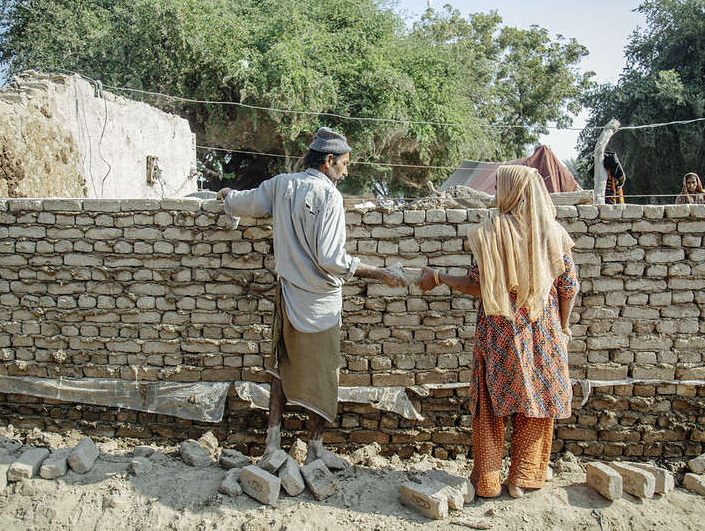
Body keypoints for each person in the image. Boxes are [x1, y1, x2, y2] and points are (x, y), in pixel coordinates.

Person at [217, 126, 408, 468]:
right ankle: (315, 449)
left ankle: (272, 444)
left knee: (280, 368)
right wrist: (379, 272)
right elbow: (331, 259)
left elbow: (248, 203)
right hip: (320, 303)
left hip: (288, 296)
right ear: (328, 161)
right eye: (345, 164)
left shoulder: (281, 184)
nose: (347, 171)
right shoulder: (329, 197)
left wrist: (228, 197)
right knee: (321, 375)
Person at [416, 164, 579, 499]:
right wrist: (562, 327)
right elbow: (569, 287)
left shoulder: (489, 232)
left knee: (491, 407)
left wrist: (438, 276)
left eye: (499, 187)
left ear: (510, 191)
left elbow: (478, 286)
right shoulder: (554, 234)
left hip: (499, 335)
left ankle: (488, 482)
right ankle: (522, 478)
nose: (495, 193)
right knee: (535, 403)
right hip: (543, 334)